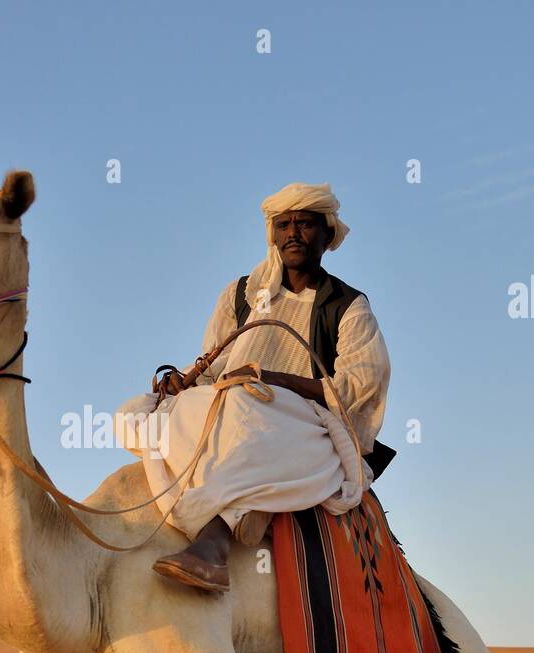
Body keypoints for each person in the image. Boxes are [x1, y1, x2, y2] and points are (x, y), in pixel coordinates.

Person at [117, 182, 392, 592]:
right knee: (153, 414)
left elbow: (359, 384)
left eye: (305, 224)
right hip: (232, 401)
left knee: (247, 414)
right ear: (273, 235)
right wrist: (184, 380)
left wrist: (275, 380)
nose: (293, 234)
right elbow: (213, 362)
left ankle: (214, 542)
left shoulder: (348, 306)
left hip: (306, 422)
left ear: (326, 234)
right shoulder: (242, 295)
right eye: (284, 225)